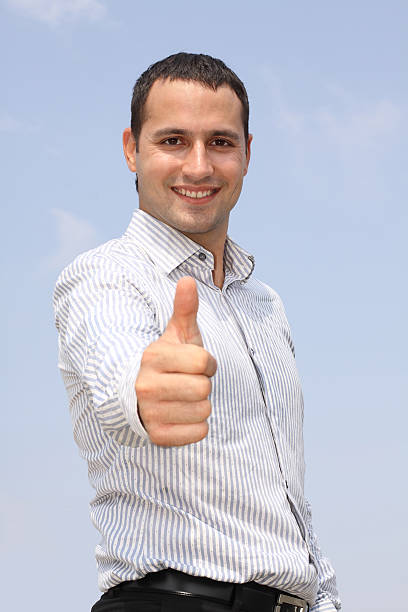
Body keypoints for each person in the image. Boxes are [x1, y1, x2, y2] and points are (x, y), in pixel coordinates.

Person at [53, 52, 340, 612]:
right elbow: (121, 374)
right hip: (172, 601)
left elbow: (286, 497)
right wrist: (146, 395)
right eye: (173, 141)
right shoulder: (105, 275)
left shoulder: (265, 306)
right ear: (132, 149)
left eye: (222, 142)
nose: (199, 166)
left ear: (248, 154)